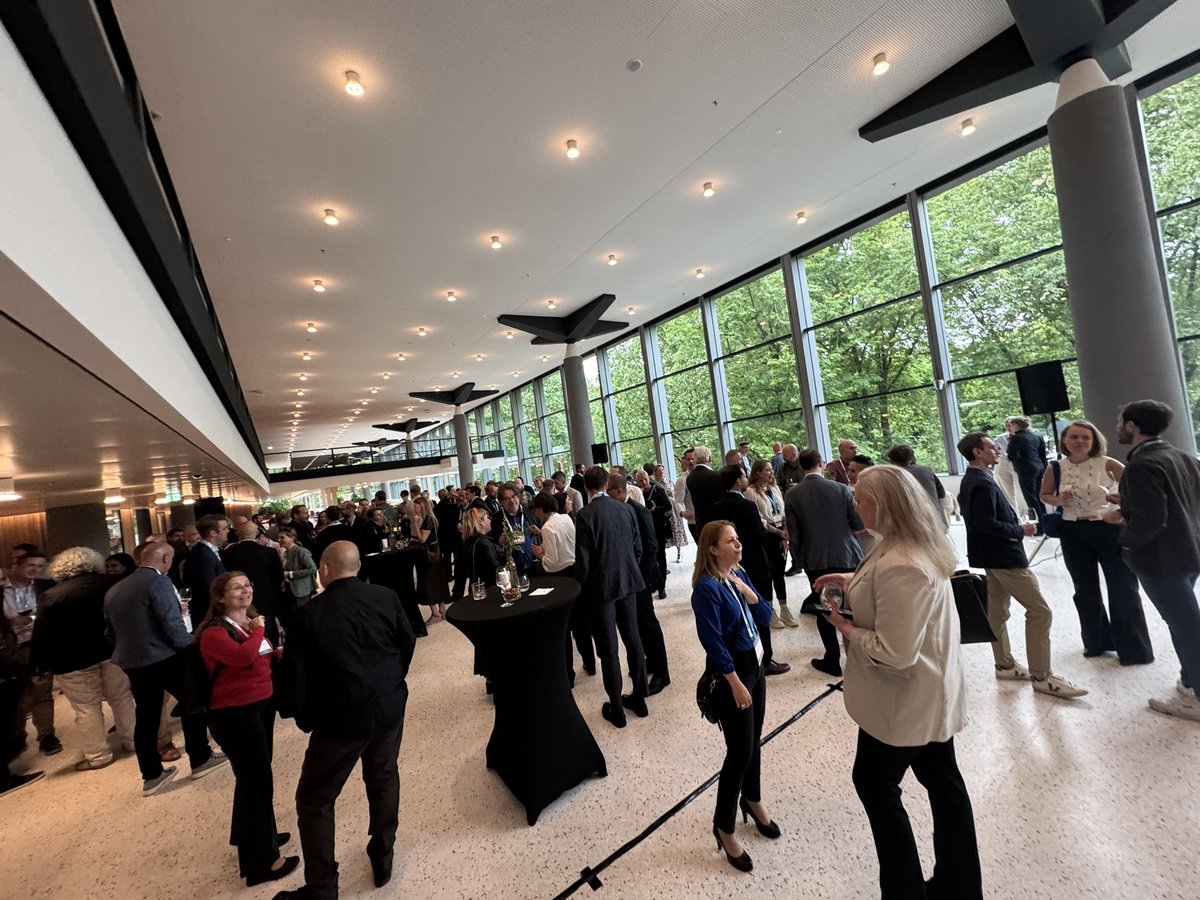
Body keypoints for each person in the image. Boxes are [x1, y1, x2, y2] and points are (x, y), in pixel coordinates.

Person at [814, 465, 981, 899]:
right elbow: (895, 599)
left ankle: (905, 890)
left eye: (861, 500)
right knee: (944, 783)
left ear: (885, 506)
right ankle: (959, 884)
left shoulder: (902, 564)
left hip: (905, 698)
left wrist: (845, 628)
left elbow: (895, 651)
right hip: (927, 692)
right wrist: (851, 581)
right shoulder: (907, 544)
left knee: (875, 785)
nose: (855, 506)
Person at [275, 541, 417, 899]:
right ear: (357, 566)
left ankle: (322, 887)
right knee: (384, 776)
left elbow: (295, 679)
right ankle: (383, 855)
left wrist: (303, 717)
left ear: (324, 569)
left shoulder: (309, 614)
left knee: (315, 800)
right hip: (389, 705)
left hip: (340, 719)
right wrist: (391, 682)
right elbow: (406, 641)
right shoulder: (385, 596)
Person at [957, 433, 1086, 699]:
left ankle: (1004, 664)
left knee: (997, 613)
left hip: (992, 556)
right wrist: (1021, 530)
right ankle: (1042, 676)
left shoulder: (975, 479)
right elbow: (986, 524)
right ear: (977, 452)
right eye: (992, 447)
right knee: (1040, 612)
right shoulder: (981, 482)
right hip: (1004, 556)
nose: (997, 450)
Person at [198, 572, 298, 887]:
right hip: (234, 715)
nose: (246, 590)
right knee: (256, 782)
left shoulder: (248, 623)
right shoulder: (215, 632)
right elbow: (242, 657)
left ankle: (255, 836)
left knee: (254, 777)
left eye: (248, 585)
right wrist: (259, 631)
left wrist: (276, 653)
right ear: (220, 597)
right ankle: (261, 863)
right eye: (237, 587)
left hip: (260, 706)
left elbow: (259, 656)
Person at [104, 541, 226, 795]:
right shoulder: (158, 581)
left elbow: (110, 631)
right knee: (193, 702)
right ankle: (200, 757)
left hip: (133, 661)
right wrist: (189, 645)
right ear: (165, 559)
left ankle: (152, 775)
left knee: (146, 716)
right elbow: (170, 621)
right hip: (165, 656)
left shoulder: (115, 589)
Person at [691, 520, 777, 874]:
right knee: (739, 752)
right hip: (733, 674)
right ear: (712, 548)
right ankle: (724, 826)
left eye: (738, 538)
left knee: (753, 742)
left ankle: (752, 799)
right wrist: (735, 682)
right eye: (731, 540)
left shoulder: (738, 574)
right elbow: (712, 642)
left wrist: (751, 595)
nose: (738, 544)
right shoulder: (706, 588)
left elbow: (765, 616)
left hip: (755, 666)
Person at [1108, 400, 1200, 722]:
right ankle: (1189, 680)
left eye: (1120, 420)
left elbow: (1151, 521)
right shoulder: (1184, 457)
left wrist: (1123, 541)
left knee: (1187, 625)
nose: (1118, 426)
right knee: (1184, 621)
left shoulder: (1142, 465)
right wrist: (1128, 502)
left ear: (1132, 425)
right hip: (1189, 552)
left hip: (1161, 560)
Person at [1039, 419, 1153, 664]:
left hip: (1108, 528)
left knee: (1123, 588)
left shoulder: (1109, 464)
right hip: (1073, 530)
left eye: (1085, 437)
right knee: (1084, 589)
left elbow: (1136, 493)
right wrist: (1058, 500)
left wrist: (1120, 506)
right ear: (1064, 441)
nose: (1080, 441)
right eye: (1074, 437)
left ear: (1094, 441)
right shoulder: (1056, 467)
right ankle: (1096, 642)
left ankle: (1134, 649)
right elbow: (1045, 494)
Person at [30, 547, 134, 771]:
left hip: (71, 660)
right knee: (122, 698)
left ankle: (98, 755)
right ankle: (133, 741)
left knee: (87, 708)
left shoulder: (52, 595)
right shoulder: (112, 583)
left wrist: (39, 666)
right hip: (113, 651)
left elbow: (42, 634)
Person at [574, 466, 648, 728]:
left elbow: (583, 561)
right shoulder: (625, 509)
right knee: (634, 641)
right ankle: (640, 698)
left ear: (586, 488)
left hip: (600, 591)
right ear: (606, 484)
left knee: (609, 651)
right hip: (628, 583)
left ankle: (616, 708)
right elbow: (637, 547)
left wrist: (584, 590)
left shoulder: (584, 515)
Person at [786, 449, 864, 677]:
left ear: (801, 466)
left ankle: (832, 659)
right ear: (821, 463)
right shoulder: (841, 489)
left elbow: (794, 532)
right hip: (846, 554)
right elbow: (857, 521)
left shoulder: (793, 494)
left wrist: (798, 559)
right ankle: (860, 657)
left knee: (825, 607)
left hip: (815, 558)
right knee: (853, 604)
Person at [712, 465, 790, 676]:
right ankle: (765, 660)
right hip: (754, 564)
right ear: (738, 481)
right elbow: (760, 536)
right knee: (759, 608)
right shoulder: (747, 505)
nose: (746, 478)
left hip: (727, 565)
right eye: (744, 476)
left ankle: (742, 658)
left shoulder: (716, 506)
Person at [611, 475, 670, 696]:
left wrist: (642, 579)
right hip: (632, 579)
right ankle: (651, 661)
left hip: (642, 579)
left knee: (649, 624)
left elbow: (651, 548)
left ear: (619, 491)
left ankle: (662, 673)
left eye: (609, 491)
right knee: (640, 623)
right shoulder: (622, 510)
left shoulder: (639, 511)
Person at [529, 493, 594, 687]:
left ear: (542, 508)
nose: (535, 514)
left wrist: (541, 556)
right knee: (581, 623)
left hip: (560, 578)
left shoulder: (547, 527)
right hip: (576, 573)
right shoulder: (566, 518)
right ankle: (590, 662)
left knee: (563, 627)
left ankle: (568, 675)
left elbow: (553, 563)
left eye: (536, 510)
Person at [2, 552, 58, 757]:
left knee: (42, 692)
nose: (36, 569)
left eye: (40, 566)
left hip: (37, 644)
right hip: (10, 649)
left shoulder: (45, 586)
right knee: (16, 697)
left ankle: (47, 735)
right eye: (31, 565)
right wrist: (9, 624)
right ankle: (16, 739)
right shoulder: (3, 587)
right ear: (17, 565)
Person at [744, 460, 797, 628]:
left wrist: (785, 532)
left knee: (779, 573)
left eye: (771, 470)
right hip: (765, 535)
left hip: (781, 533)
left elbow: (783, 511)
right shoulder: (750, 492)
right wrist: (780, 533)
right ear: (758, 472)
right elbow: (759, 519)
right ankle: (769, 609)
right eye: (767, 470)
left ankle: (784, 608)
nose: (771, 472)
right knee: (767, 574)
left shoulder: (774, 488)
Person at [221, 520, 286, 645]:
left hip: (238, 601)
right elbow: (278, 577)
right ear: (256, 534)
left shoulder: (228, 553)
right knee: (268, 632)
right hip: (266, 599)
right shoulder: (269, 552)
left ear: (239, 534)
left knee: (243, 633)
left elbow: (225, 577)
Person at [410, 495, 450, 623]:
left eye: (416, 506)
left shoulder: (427, 519)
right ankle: (441, 608)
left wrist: (415, 523)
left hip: (428, 555)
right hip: (435, 553)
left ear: (422, 506)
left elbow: (422, 539)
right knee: (437, 580)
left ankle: (435, 612)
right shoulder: (430, 518)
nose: (414, 508)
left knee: (427, 582)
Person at [886, 443, 947, 527]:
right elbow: (942, 494)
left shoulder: (888, 476)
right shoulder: (926, 470)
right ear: (912, 458)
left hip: (907, 525)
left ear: (891, 460)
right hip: (934, 521)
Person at [184, 514, 228, 626]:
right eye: (224, 528)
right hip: (208, 613)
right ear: (213, 533)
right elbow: (209, 586)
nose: (228, 531)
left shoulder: (208, 551)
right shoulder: (203, 555)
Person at [451, 508, 501, 603]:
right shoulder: (484, 543)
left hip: (476, 589)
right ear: (480, 521)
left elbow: (459, 572)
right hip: (490, 591)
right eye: (487, 518)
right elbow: (494, 569)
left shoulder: (467, 543)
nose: (490, 520)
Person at [1006, 415, 1047, 522]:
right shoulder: (1037, 436)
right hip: (1039, 467)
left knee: (1030, 497)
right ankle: (1045, 520)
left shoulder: (1016, 438)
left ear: (1015, 425)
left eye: (1011, 425)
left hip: (1025, 469)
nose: (1010, 428)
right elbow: (1043, 455)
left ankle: (1037, 523)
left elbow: (1011, 455)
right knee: (1039, 496)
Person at [637, 469, 671, 598]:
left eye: (646, 479)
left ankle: (662, 586)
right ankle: (654, 583)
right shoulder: (637, 493)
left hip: (658, 527)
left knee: (660, 556)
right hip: (644, 530)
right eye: (641, 481)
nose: (644, 482)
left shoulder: (657, 490)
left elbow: (668, 506)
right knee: (649, 557)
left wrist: (656, 509)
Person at [279, 528, 317, 617]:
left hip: (301, 591)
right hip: (290, 589)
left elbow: (312, 569)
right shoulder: (287, 552)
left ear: (291, 538)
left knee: (303, 616)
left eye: (282, 537)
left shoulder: (301, 551)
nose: (278, 540)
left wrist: (291, 574)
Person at [686, 447, 725, 532]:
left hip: (701, 522)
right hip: (719, 521)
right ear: (709, 458)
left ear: (694, 459)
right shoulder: (717, 476)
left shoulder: (690, 478)